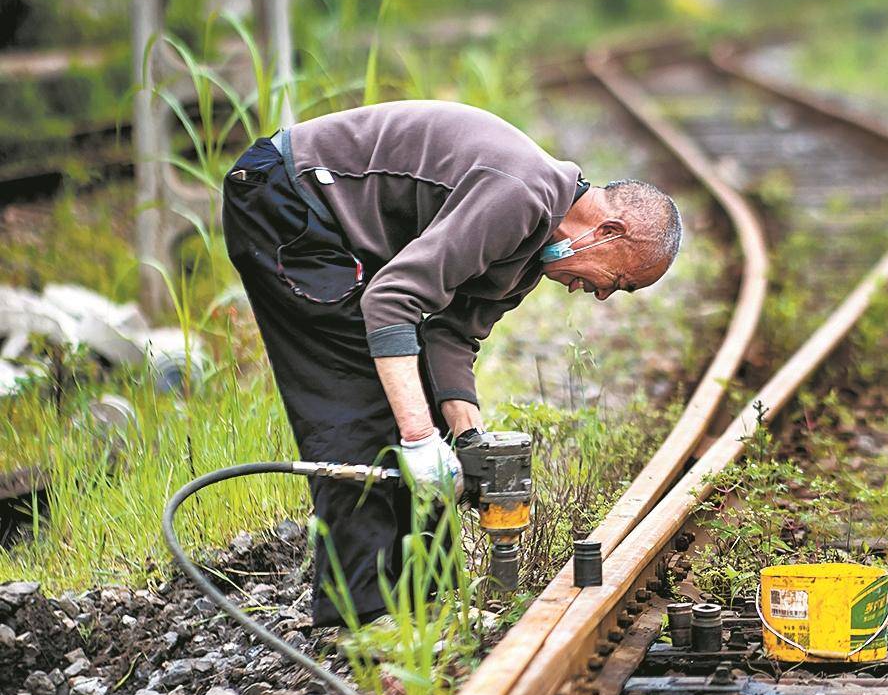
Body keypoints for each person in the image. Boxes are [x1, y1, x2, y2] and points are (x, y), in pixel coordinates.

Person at [220, 100, 681, 626]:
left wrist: (465, 441)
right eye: (619, 281)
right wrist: (418, 439)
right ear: (610, 232)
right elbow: (390, 301)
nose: (602, 297)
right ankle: (363, 619)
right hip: (288, 199)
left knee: (418, 408)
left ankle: (428, 606)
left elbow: (449, 331)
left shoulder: (531, 253)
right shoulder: (521, 196)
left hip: (333, 222)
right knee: (363, 402)